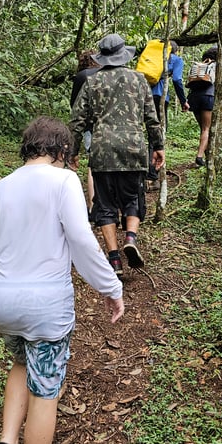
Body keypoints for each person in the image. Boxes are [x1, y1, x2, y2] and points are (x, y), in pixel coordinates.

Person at [0, 116, 125, 444]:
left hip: (5, 304)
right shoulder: (64, 181)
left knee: (21, 361)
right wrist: (109, 286)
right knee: (46, 391)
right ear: (62, 150)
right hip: (46, 306)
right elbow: (81, 239)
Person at [69, 33, 165, 275]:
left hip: (102, 150)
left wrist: (73, 151)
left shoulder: (92, 82)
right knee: (133, 198)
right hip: (133, 148)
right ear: (124, 55)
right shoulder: (139, 79)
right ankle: (130, 238)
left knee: (105, 204)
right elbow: (152, 118)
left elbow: (77, 120)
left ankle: (114, 260)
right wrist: (158, 146)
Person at [147, 40, 188, 181]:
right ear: (175, 50)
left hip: (145, 95)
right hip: (160, 97)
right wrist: (183, 101)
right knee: (158, 132)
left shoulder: (153, 58)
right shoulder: (176, 60)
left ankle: (148, 169)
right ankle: (153, 172)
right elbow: (177, 80)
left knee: (150, 132)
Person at [70, 52, 100, 216]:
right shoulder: (106, 73)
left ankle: (93, 206)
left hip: (90, 125)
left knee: (92, 165)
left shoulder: (81, 76)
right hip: (110, 126)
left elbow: (75, 104)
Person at [187, 45, 217, 167]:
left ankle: (206, 156)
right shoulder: (216, 65)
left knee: (203, 128)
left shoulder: (201, 65)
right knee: (206, 129)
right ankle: (199, 157)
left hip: (193, 98)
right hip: (208, 97)